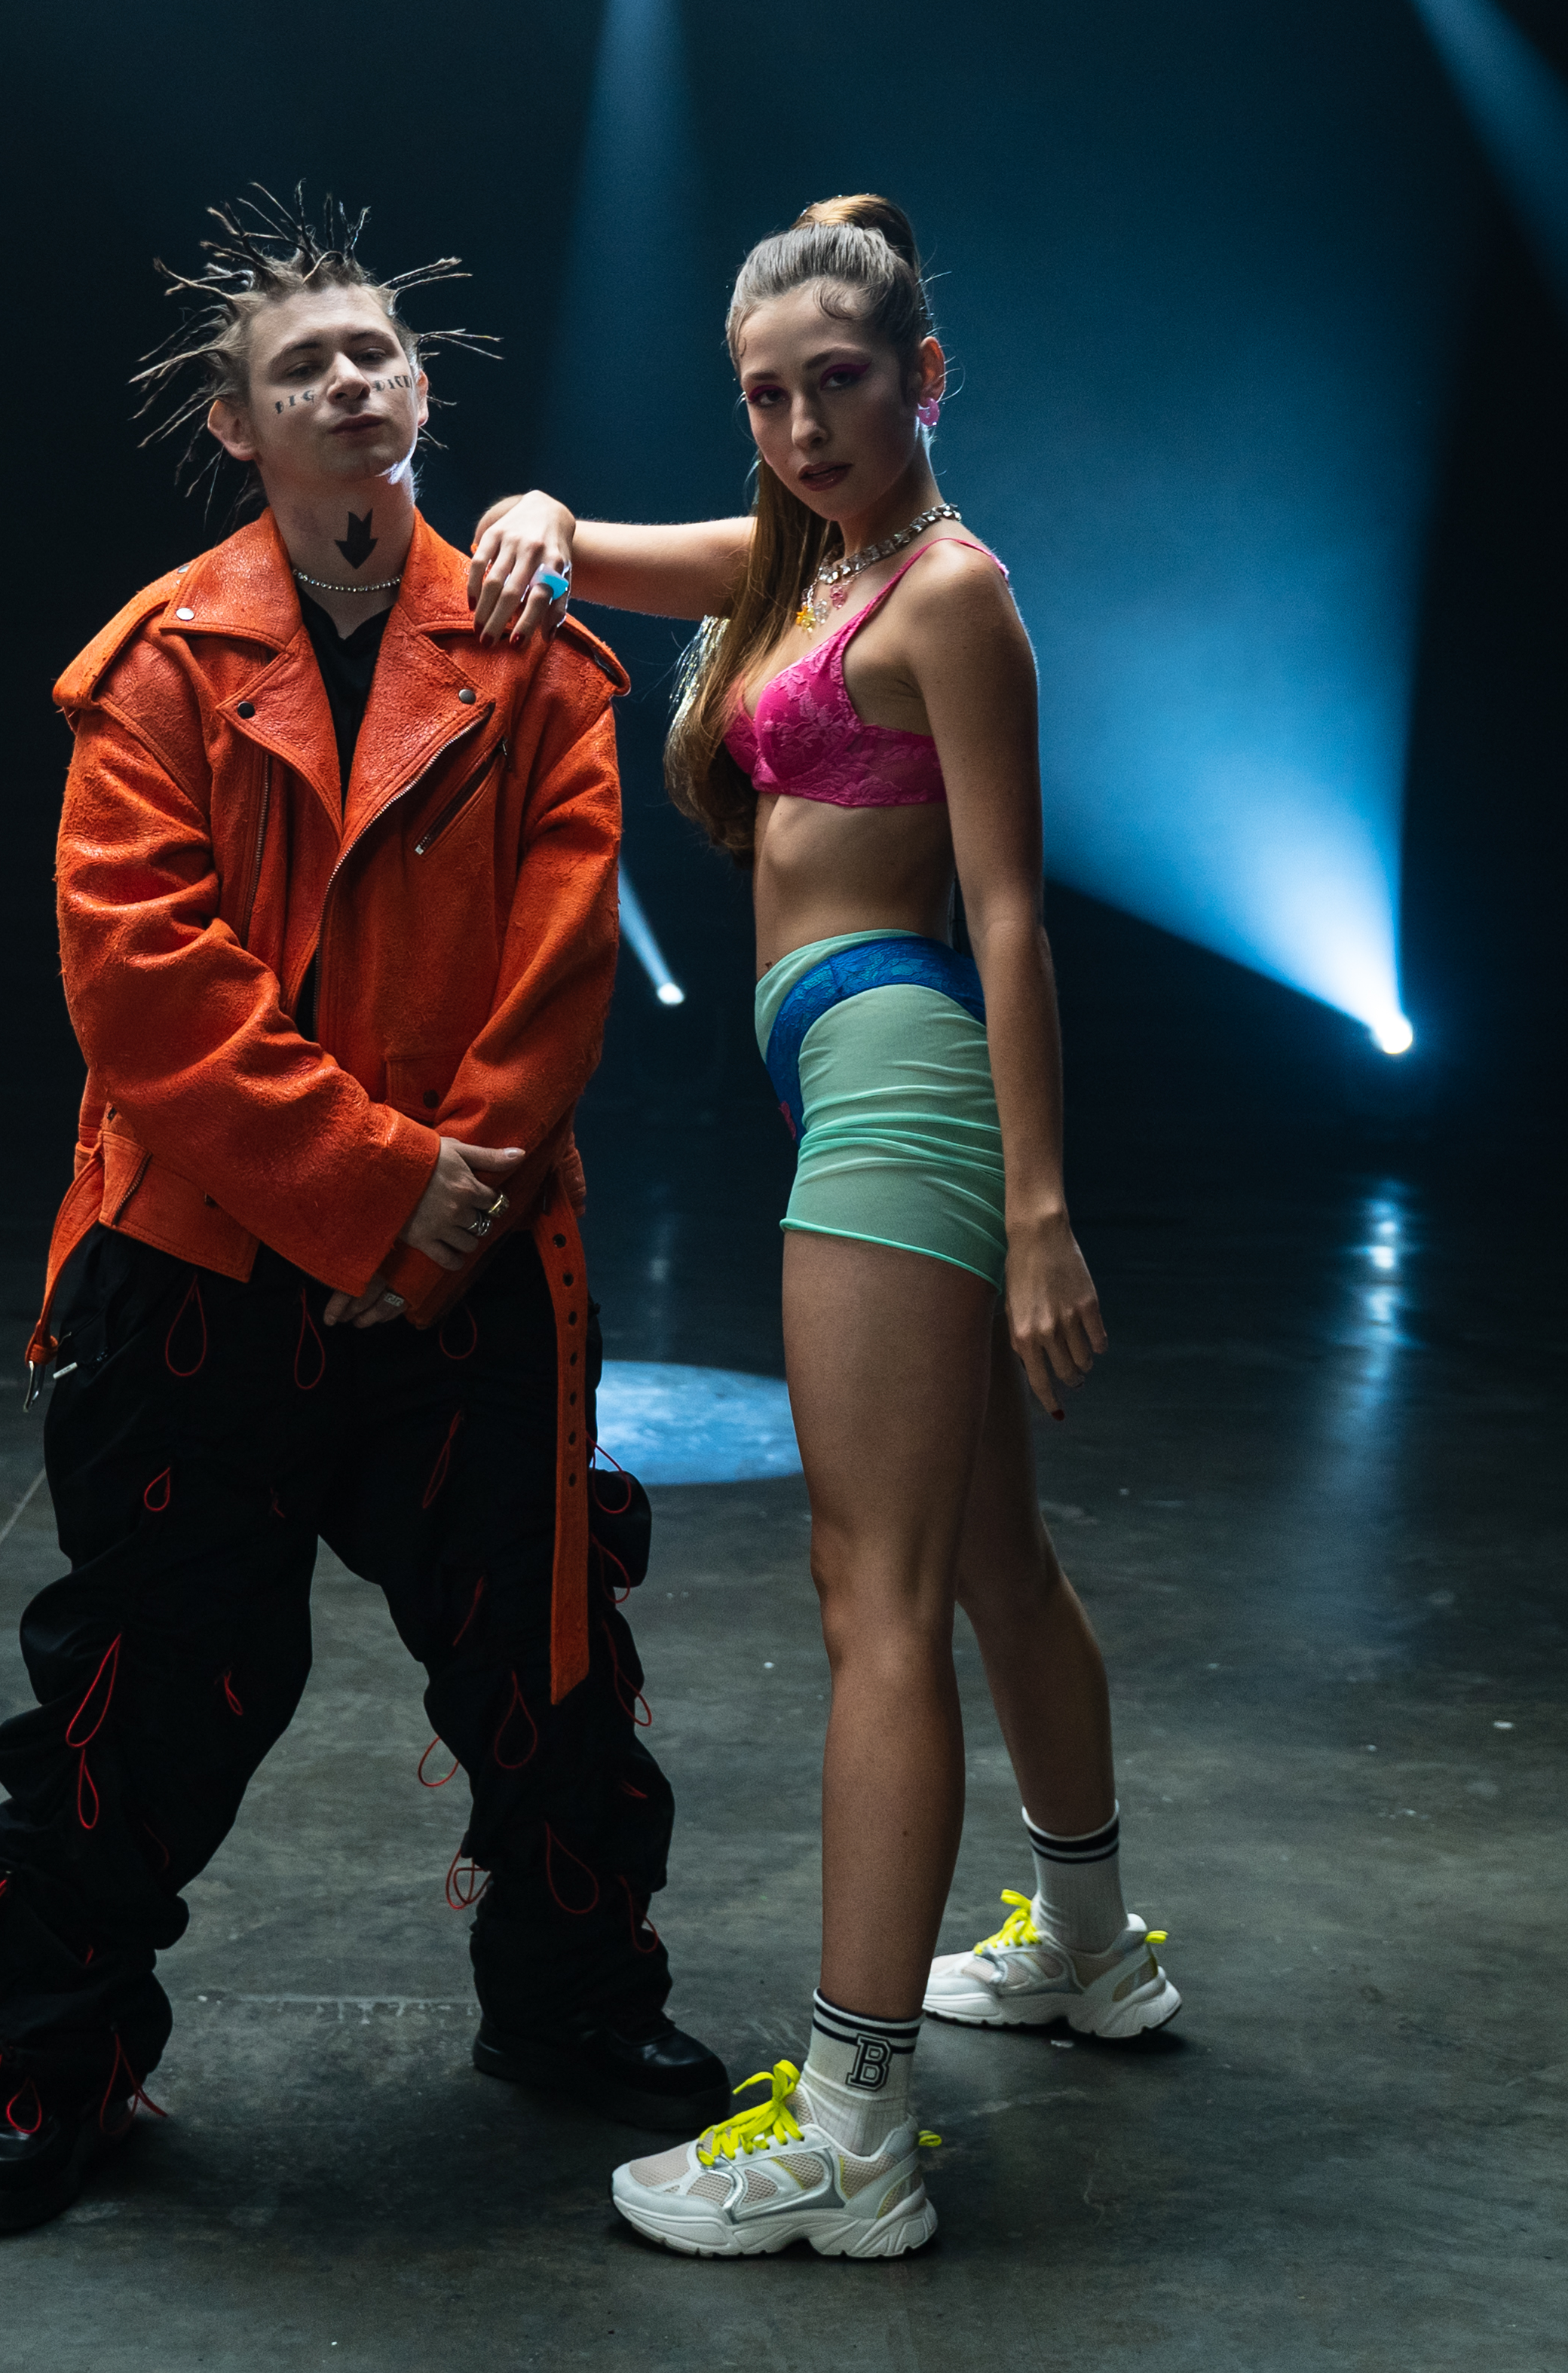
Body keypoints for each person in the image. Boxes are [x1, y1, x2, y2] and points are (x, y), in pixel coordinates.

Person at [0, 194, 729, 2237]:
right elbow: (143, 981)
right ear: (236, 421)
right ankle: (45, 2061)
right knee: (154, 1679)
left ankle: (572, 2000)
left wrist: (447, 1212)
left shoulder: (539, 664)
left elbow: (559, 965)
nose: (352, 380)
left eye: (377, 351)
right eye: (305, 364)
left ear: (422, 390)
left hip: (478, 1254)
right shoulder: (163, 666)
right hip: (202, 1260)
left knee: (549, 1661)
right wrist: (379, 1196)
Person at [470, 194, 1178, 2264]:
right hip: (850, 1079)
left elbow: (1013, 916)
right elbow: (605, 551)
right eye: (766, 397)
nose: (799, 428)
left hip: (899, 1085)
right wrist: (535, 509)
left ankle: (854, 2126)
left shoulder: (950, 593)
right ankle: (1091, 1949)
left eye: (839, 384)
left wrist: (1040, 1214)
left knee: (876, 1597)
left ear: (924, 378)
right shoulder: (810, 558)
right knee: (988, 1556)